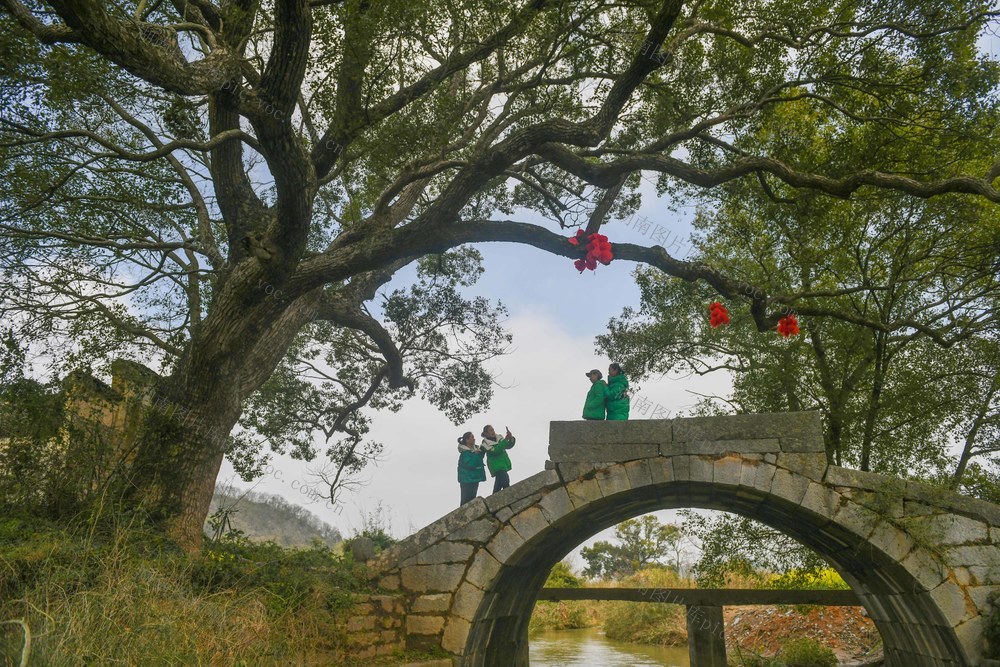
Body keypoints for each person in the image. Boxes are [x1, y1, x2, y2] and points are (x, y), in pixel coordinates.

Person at [481, 424, 516, 493]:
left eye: (493, 430)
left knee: (499, 483)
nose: (493, 432)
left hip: (503, 462)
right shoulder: (485, 443)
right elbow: (495, 451)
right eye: (491, 430)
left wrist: (511, 438)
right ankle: (509, 496)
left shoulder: (499, 437)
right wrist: (505, 439)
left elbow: (508, 446)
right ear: (486, 433)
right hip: (496, 465)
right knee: (505, 480)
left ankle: (493, 499)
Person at [457, 431, 485, 506]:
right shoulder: (465, 453)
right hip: (466, 479)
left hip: (474, 478)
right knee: (465, 500)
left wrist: (482, 451)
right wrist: (476, 454)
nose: (474, 439)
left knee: (472, 499)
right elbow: (470, 464)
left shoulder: (475, 450)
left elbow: (479, 459)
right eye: (472, 437)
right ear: (467, 440)